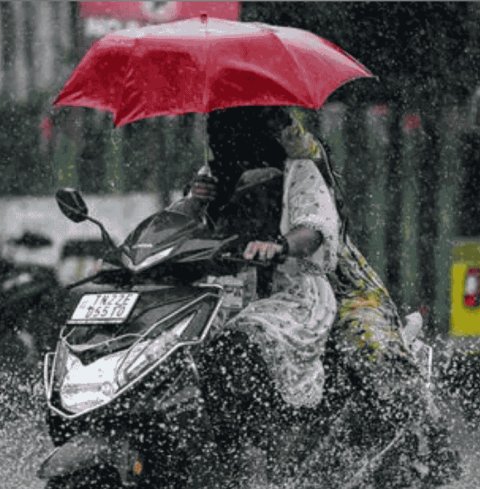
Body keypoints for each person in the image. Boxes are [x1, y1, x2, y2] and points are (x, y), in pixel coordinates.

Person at [188, 109, 461, 487]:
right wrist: (196, 203)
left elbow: (314, 227)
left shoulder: (301, 168)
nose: (219, 142)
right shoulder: (213, 180)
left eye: (229, 131)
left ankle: (435, 443)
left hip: (333, 285)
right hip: (250, 294)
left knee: (371, 348)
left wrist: (281, 246)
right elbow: (183, 227)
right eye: (215, 133)